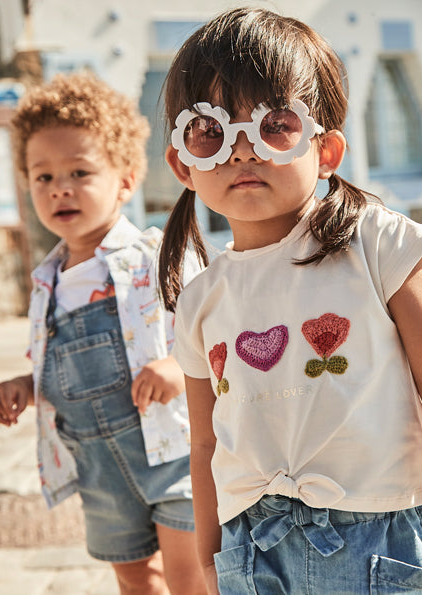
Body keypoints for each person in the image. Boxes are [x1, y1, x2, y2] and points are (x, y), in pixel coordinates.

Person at [158, 7, 422, 594]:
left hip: (386, 538)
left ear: (326, 151)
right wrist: (208, 560)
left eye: (275, 124)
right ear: (183, 162)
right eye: (211, 130)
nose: (243, 150)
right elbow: (203, 443)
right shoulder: (201, 298)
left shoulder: (377, 245)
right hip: (251, 552)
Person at [0, 72, 205, 595]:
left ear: (127, 179)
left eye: (80, 171)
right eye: (43, 177)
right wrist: (28, 383)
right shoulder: (46, 281)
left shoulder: (160, 255)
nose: (60, 187)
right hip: (99, 472)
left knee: (192, 576)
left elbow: (217, 334)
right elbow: (63, 361)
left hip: (175, 450)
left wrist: (180, 364)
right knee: (135, 577)